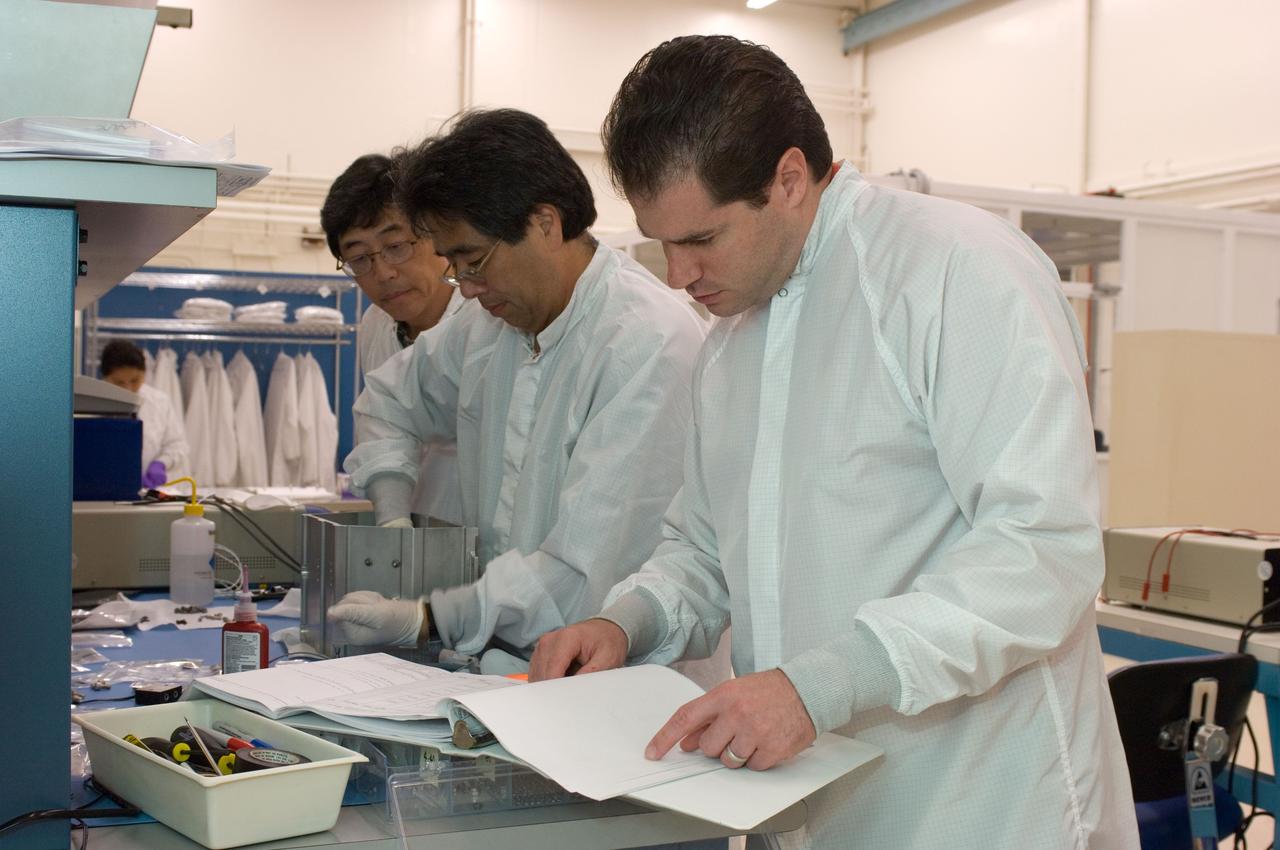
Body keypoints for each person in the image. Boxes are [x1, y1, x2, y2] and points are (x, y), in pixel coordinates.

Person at [529, 35, 1139, 849]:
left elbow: (1042, 551)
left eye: (700, 240)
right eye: (660, 242)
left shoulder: (954, 273)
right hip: (810, 799)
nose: (676, 276)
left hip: (979, 801)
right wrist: (628, 622)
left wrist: (820, 686)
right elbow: (706, 549)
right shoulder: (733, 341)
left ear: (789, 178)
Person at [328, 109, 709, 673]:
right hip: (509, 666)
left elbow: (580, 572)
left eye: (474, 260)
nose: (469, 287)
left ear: (546, 225)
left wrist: (428, 617)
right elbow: (389, 401)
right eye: (454, 267)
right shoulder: (486, 327)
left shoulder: (646, 344)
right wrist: (393, 522)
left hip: (620, 684)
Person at [321, 152, 466, 524]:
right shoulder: (375, 325)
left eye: (396, 246)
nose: (382, 273)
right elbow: (382, 426)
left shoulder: (486, 317)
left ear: (436, 235)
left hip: (487, 535)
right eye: (359, 259)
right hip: (408, 524)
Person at [100, 339, 189, 489]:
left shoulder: (160, 402)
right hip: (104, 489)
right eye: (119, 382)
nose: (128, 389)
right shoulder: (92, 405)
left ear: (145, 373)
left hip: (150, 492)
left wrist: (161, 463)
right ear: (105, 378)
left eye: (135, 380)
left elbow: (177, 445)